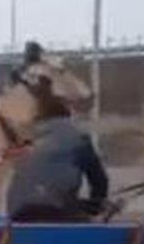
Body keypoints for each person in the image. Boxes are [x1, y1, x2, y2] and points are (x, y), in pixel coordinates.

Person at [6, 93, 109, 223]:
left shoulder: (28, 137)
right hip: (60, 212)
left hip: (19, 213)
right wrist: (94, 209)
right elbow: (99, 180)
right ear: (67, 114)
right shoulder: (78, 138)